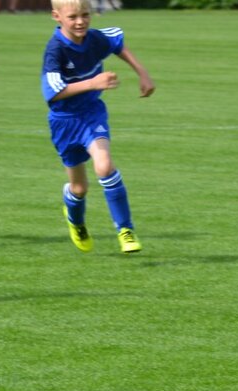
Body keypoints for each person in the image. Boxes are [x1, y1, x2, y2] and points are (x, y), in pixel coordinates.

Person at [41, 0, 154, 255]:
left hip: (92, 114)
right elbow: (53, 92)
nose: (80, 22)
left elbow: (117, 43)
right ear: (56, 16)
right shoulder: (55, 50)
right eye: (73, 17)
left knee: (104, 166)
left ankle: (125, 230)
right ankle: (75, 220)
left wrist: (142, 73)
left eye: (85, 15)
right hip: (64, 121)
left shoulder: (95, 39)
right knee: (79, 189)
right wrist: (93, 83)